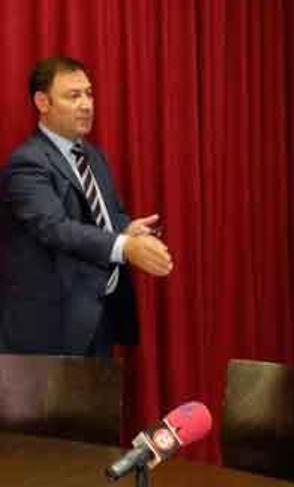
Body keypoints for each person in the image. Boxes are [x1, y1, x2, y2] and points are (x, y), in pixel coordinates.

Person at [0, 56, 173, 357]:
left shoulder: (94, 157)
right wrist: (125, 246)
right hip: (50, 330)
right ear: (43, 102)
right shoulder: (27, 163)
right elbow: (55, 228)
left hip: (98, 316)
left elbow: (110, 214)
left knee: (99, 406)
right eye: (73, 96)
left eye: (89, 94)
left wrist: (127, 229)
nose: (86, 105)